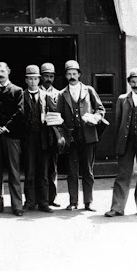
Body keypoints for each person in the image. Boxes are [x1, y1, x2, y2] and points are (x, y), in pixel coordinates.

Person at [105, 68, 137, 218]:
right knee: (123, 174)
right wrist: (119, 141)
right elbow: (118, 121)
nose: (136, 85)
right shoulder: (122, 99)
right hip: (126, 142)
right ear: (129, 83)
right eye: (133, 82)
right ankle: (117, 207)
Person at [56, 60, 106, 211]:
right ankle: (73, 202)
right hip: (72, 137)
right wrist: (63, 132)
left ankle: (88, 201)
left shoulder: (89, 90)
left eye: (74, 73)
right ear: (65, 76)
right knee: (72, 171)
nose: (72, 76)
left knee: (88, 170)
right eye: (69, 74)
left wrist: (95, 117)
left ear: (79, 74)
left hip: (88, 135)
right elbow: (58, 116)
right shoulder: (61, 94)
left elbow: (100, 108)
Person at [0, 62, 25, 216]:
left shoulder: (17, 90)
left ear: (8, 71)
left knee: (14, 171)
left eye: (2, 70)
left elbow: (20, 111)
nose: (0, 73)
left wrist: (6, 127)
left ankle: (17, 206)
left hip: (11, 136)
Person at [22, 65, 53, 213]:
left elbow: (54, 116)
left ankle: (44, 202)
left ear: (39, 80)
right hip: (28, 139)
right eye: (30, 79)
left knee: (44, 172)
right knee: (29, 171)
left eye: (36, 78)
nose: (33, 81)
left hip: (43, 139)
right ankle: (29, 201)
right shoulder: (21, 96)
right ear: (26, 80)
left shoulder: (46, 96)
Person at [40, 62, 61, 207]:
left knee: (52, 168)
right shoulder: (36, 91)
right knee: (39, 168)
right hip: (39, 135)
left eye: (51, 76)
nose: (48, 79)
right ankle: (39, 199)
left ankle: (51, 198)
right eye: (46, 76)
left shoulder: (58, 94)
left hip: (53, 135)